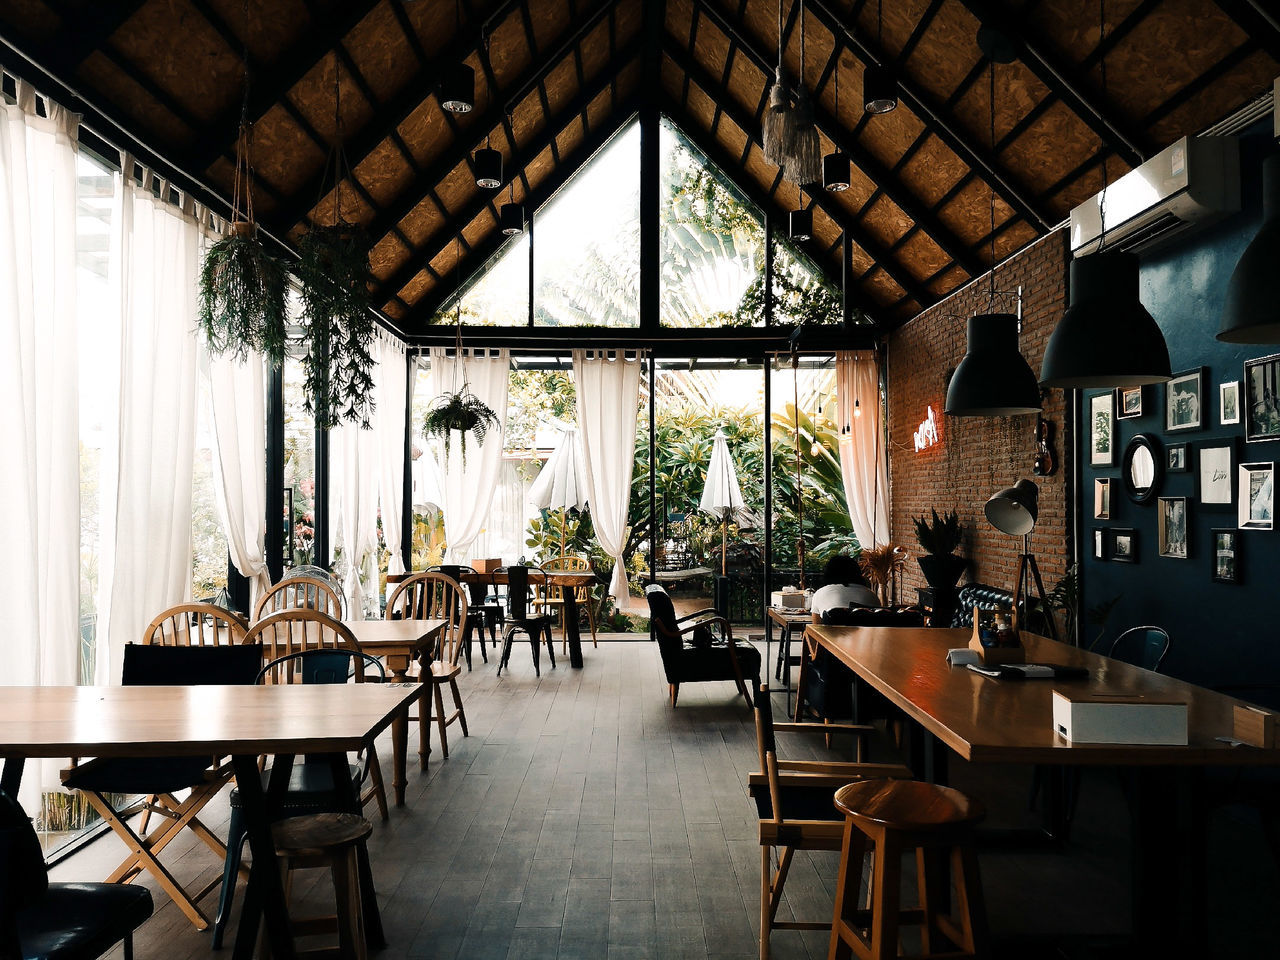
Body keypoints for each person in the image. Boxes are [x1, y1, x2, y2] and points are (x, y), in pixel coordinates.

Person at [810, 554, 880, 617]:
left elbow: (814, 627)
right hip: (867, 631)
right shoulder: (871, 595)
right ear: (857, 572)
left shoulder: (820, 593)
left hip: (831, 631)